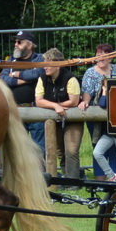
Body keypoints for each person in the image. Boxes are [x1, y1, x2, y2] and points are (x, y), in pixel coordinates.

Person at [80, 44, 116, 180]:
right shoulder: (90, 72)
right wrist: (85, 101)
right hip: (97, 115)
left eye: (105, 54)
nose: (101, 57)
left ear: (111, 58)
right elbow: (87, 92)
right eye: (98, 54)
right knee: (97, 145)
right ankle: (101, 177)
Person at [33, 48, 82, 177]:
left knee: (71, 151)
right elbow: (38, 101)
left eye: (48, 64)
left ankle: (73, 182)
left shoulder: (70, 79)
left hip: (72, 119)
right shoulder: (42, 79)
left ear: (58, 65)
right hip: (55, 120)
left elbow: (74, 101)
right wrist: (55, 106)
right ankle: (66, 178)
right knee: (60, 151)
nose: (45, 67)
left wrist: (55, 105)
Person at [0, 30, 47, 144]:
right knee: (19, 147)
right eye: (15, 42)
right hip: (16, 110)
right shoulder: (11, 60)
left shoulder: (39, 59)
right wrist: (25, 80)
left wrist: (16, 74)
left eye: (19, 42)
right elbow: (4, 79)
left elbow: (38, 74)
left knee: (40, 148)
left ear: (29, 45)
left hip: (36, 110)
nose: (16, 45)